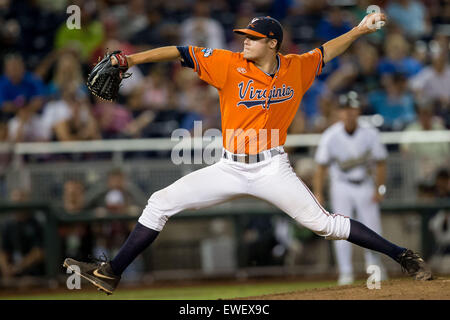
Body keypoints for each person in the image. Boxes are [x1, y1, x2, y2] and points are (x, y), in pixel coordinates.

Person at [64, 13, 432, 295]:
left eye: (253, 38)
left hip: (273, 167)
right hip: (228, 167)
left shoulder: (296, 68)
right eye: (244, 36)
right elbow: (179, 52)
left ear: (273, 43)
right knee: (159, 203)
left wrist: (360, 30)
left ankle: (401, 255)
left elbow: (327, 51)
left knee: (326, 225)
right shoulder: (228, 64)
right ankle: (112, 272)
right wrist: (128, 60)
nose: (245, 42)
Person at [313, 91, 388, 285]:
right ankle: (345, 273)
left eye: (353, 109)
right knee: (341, 230)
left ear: (358, 111)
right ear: (339, 112)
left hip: (365, 184)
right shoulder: (331, 135)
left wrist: (380, 187)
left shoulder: (370, 133)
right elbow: (320, 166)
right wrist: (319, 192)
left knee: (372, 229)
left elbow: (381, 162)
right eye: (345, 109)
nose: (349, 113)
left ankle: (375, 271)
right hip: (341, 186)